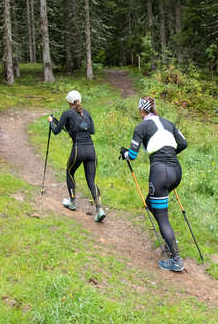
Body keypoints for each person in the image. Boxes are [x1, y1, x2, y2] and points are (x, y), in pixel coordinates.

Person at [120, 96, 188, 272]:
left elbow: (132, 156)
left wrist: (125, 154)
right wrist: (169, 152)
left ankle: (176, 259)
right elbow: (183, 143)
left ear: (141, 111)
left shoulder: (141, 126)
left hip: (160, 172)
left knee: (162, 215)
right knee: (151, 203)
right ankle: (170, 241)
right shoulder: (168, 122)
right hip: (175, 170)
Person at [48, 90, 106, 222]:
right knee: (91, 181)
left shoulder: (67, 113)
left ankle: (72, 202)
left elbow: (56, 131)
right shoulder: (86, 113)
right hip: (91, 151)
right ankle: (100, 209)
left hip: (78, 150)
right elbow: (92, 131)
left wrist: (51, 121)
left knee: (69, 172)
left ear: (69, 102)